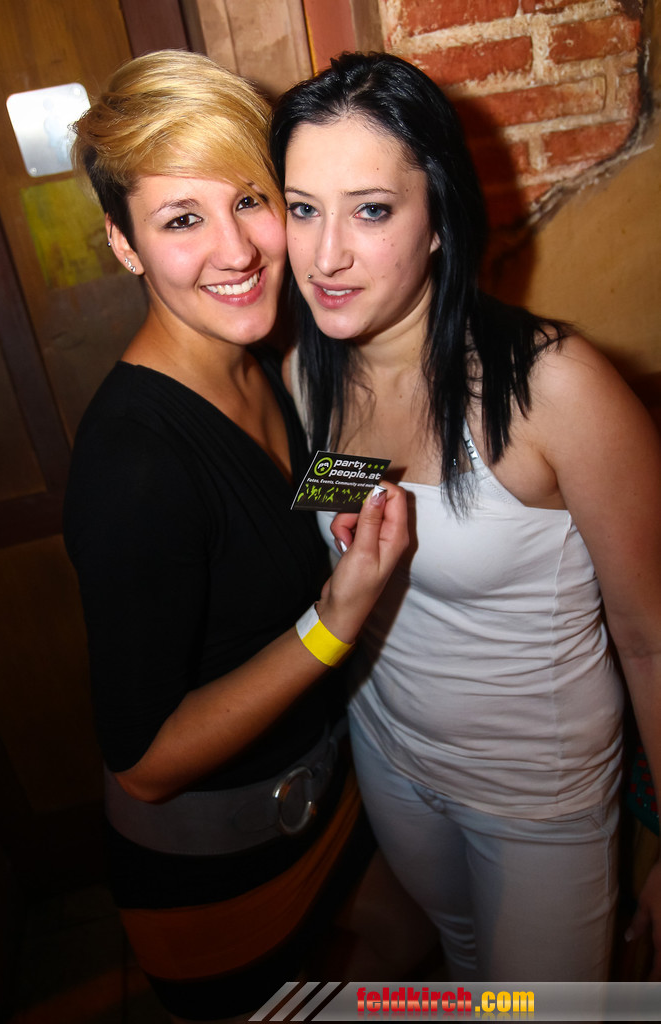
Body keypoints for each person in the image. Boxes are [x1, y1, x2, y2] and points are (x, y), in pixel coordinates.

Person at [270, 51, 661, 981]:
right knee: (464, 960)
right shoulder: (304, 371)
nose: (325, 256)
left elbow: (651, 634)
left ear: (440, 218)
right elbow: (341, 530)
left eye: (371, 210)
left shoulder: (557, 390)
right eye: (302, 208)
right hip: (392, 757)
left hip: (540, 798)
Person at [63, 50, 408, 1023]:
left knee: (420, 962)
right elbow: (144, 762)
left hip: (328, 800)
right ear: (125, 244)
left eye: (249, 200)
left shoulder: (259, 356)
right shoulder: (133, 464)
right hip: (219, 871)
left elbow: (272, 502)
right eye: (181, 219)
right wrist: (334, 619)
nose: (238, 252)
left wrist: (378, 455)